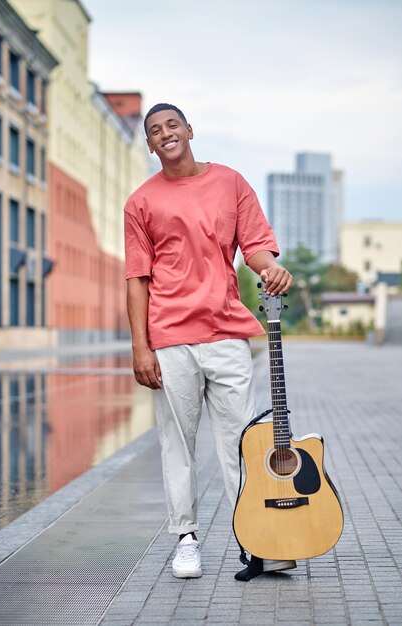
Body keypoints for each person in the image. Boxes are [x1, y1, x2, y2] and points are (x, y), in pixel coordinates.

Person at [124, 103, 294, 580]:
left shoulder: (230, 182)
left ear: (189, 130)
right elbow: (137, 278)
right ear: (151, 144)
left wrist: (270, 269)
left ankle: (257, 539)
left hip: (226, 332)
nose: (165, 134)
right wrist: (141, 347)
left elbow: (255, 245)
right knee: (177, 443)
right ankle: (186, 540)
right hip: (170, 337)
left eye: (171, 125)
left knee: (242, 441)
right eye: (154, 131)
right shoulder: (140, 202)